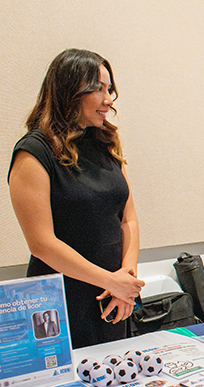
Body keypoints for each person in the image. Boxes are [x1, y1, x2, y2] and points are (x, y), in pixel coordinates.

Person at [9, 49, 144, 349]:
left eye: (109, 89)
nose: (108, 99)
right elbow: (41, 243)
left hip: (113, 300)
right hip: (61, 302)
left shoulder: (105, 141)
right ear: (70, 91)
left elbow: (128, 218)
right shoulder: (34, 153)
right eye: (98, 88)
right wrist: (110, 282)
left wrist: (127, 280)